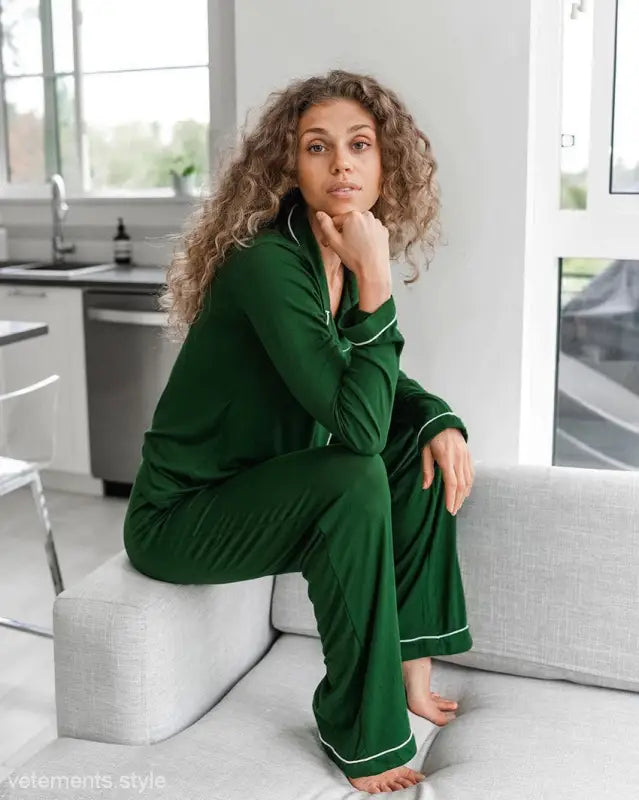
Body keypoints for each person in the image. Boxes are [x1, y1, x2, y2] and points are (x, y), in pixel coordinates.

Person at [123, 68, 475, 795]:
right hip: (183, 516)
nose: (340, 162)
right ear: (290, 164)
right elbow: (353, 424)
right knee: (353, 469)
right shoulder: (267, 265)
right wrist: (377, 289)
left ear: (387, 165)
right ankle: (359, 729)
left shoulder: (331, 255)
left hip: (258, 492)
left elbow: (364, 393)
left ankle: (412, 666)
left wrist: (436, 416)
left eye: (358, 145)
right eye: (317, 147)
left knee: (411, 448)